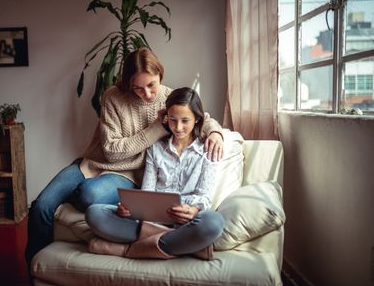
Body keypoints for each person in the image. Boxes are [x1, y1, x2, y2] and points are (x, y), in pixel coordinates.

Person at [25, 48, 225, 267]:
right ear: (128, 83)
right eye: (138, 88)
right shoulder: (112, 96)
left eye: (152, 85)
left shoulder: (169, 98)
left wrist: (216, 133)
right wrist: (155, 130)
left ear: (160, 76)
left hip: (127, 173)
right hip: (91, 164)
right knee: (41, 206)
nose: (147, 94)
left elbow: (200, 117)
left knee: (88, 195)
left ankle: (141, 246)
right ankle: (37, 268)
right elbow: (110, 151)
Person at [85, 87, 225, 260]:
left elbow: (204, 196)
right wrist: (131, 209)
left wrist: (194, 210)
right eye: (173, 120)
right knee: (94, 213)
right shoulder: (156, 148)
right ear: (166, 118)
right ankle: (178, 246)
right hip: (151, 222)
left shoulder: (208, 150)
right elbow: (147, 192)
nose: (178, 127)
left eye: (185, 121)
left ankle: (130, 249)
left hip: (185, 223)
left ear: (197, 119)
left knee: (213, 223)